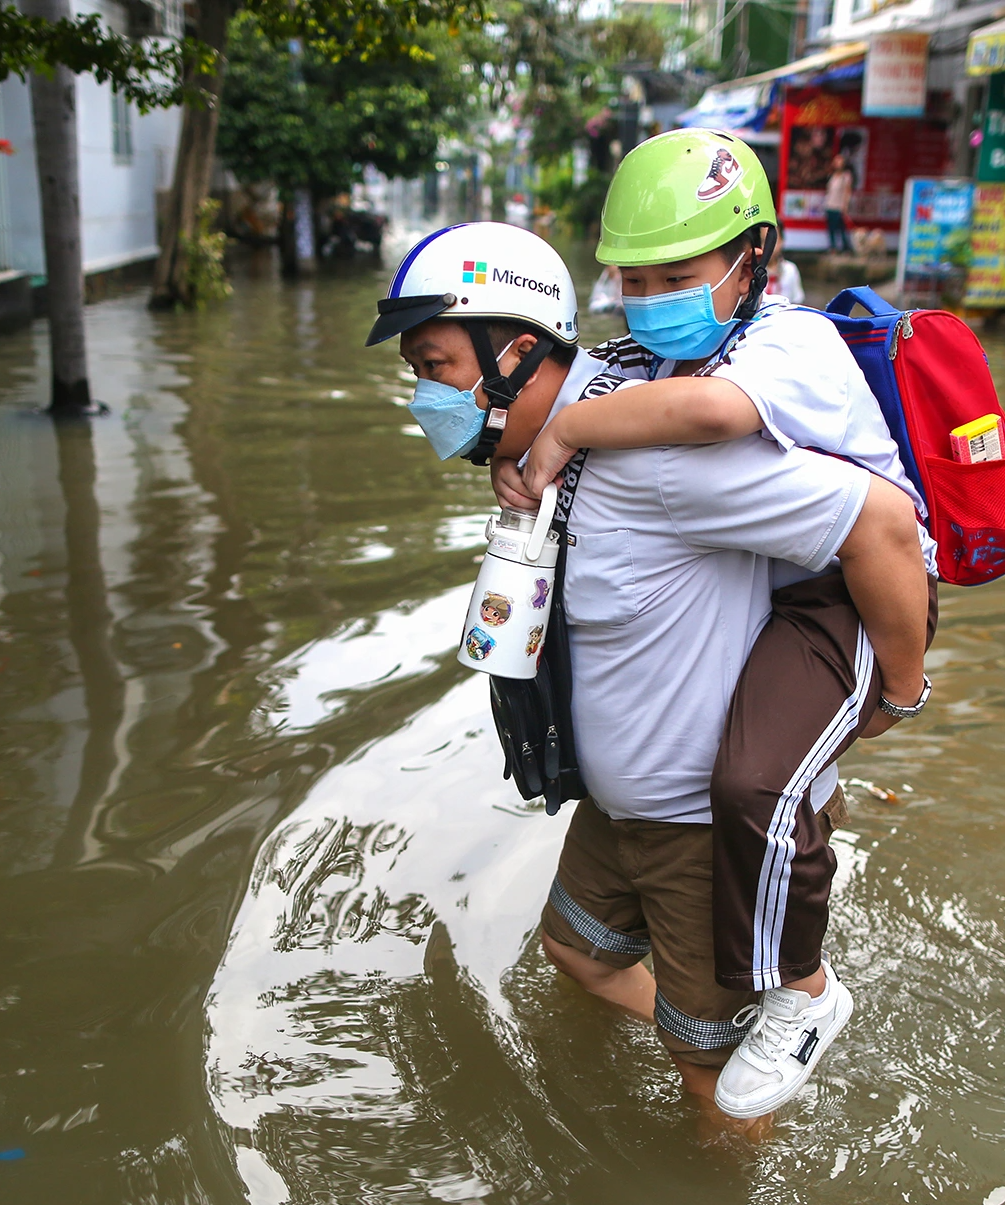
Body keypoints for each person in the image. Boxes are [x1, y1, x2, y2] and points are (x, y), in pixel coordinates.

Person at [370, 218, 930, 1129]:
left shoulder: (662, 464)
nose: (425, 398)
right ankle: (710, 1033)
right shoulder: (567, 433)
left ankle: (734, 1163)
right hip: (617, 807)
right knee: (576, 952)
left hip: (699, 834)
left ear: (514, 354)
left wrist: (898, 693)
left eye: (435, 369)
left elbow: (880, 525)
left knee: (712, 1090)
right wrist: (512, 454)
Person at [515, 130, 934, 1121]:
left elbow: (707, 417)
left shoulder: (786, 342)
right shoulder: (647, 357)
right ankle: (728, 1015)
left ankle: (801, 995)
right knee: (595, 937)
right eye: (631, 274)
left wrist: (902, 690)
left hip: (858, 585)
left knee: (750, 778)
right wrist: (527, 448)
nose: (648, 290)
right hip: (791, 578)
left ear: (755, 259)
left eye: (678, 272)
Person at [824, 160, 856, 256]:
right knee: (831, 228)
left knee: (842, 228)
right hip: (830, 205)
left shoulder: (846, 176)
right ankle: (833, 247)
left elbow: (847, 192)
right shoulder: (832, 176)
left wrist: (845, 206)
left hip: (839, 206)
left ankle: (846, 248)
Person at [764, 233, 805, 305]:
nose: (768, 246)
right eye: (763, 241)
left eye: (773, 240)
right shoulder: (753, 271)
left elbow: (797, 300)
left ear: (782, 241)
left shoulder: (790, 269)